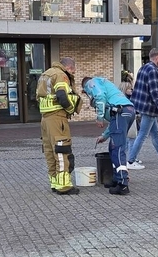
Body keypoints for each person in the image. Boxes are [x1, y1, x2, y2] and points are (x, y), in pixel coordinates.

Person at [126, 49, 158, 169]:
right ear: (157, 57)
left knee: (155, 133)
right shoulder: (153, 70)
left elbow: (139, 87)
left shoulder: (143, 68)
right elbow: (155, 92)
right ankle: (130, 161)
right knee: (143, 134)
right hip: (149, 107)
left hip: (142, 106)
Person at [37, 56, 82, 194]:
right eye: (73, 71)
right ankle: (64, 187)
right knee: (62, 150)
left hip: (45, 119)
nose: (72, 74)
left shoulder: (46, 74)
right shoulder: (61, 75)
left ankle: (55, 183)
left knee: (50, 151)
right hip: (57, 118)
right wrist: (70, 109)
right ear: (69, 67)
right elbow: (62, 96)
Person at [82, 76, 134, 195]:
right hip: (127, 111)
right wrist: (104, 136)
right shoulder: (105, 84)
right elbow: (113, 123)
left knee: (117, 147)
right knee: (113, 146)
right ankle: (116, 179)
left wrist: (99, 117)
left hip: (120, 112)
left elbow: (100, 97)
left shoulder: (91, 83)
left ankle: (122, 183)